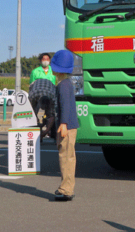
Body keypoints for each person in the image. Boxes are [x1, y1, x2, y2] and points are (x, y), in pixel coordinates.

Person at [50, 49, 79, 201]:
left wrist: (63, 124)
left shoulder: (63, 85)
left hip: (66, 125)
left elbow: (65, 106)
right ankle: (67, 188)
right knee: (68, 156)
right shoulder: (66, 83)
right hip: (69, 124)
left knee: (66, 156)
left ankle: (66, 190)